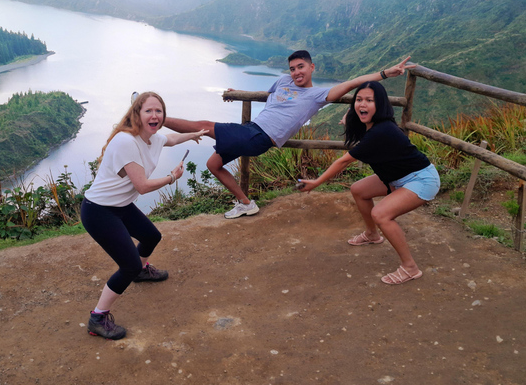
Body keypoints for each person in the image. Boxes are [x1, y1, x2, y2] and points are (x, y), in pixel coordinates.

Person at [164, 50, 415, 219]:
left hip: (262, 137)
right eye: (293, 68)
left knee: (205, 126)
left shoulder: (317, 96)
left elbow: (352, 83)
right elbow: (269, 98)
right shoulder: (283, 81)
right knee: (213, 163)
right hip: (252, 128)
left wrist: (385, 73)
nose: (296, 72)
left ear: (312, 67)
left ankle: (156, 120)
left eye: (301, 67)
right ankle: (246, 203)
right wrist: (238, 91)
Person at [82, 92, 207, 339]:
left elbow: (169, 138)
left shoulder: (152, 137)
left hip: (120, 205)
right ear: (137, 114)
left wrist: (193, 135)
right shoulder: (126, 142)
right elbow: (143, 186)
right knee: (127, 265)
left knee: (151, 236)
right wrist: (172, 177)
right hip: (99, 211)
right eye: (149, 111)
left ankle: (140, 271)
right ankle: (97, 317)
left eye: (158, 111)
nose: (154, 115)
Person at [297, 81, 440, 285]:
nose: (362, 104)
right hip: (398, 177)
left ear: (380, 104)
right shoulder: (372, 127)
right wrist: (350, 120)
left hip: (421, 179)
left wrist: (317, 182)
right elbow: (361, 131)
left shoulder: (381, 131)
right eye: (359, 99)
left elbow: (344, 160)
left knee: (381, 214)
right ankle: (372, 235)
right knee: (359, 190)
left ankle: (410, 268)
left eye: (369, 100)